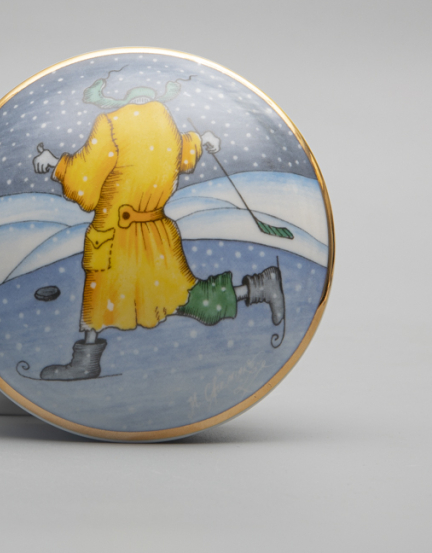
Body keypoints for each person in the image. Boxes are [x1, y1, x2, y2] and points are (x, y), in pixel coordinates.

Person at [31, 74, 284, 380]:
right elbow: (182, 152)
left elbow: (85, 178)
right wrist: (202, 140)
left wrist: (56, 164)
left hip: (116, 235)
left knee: (102, 297)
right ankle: (257, 287)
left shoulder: (109, 124)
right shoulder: (162, 117)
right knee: (181, 298)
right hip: (155, 233)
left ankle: (86, 362)